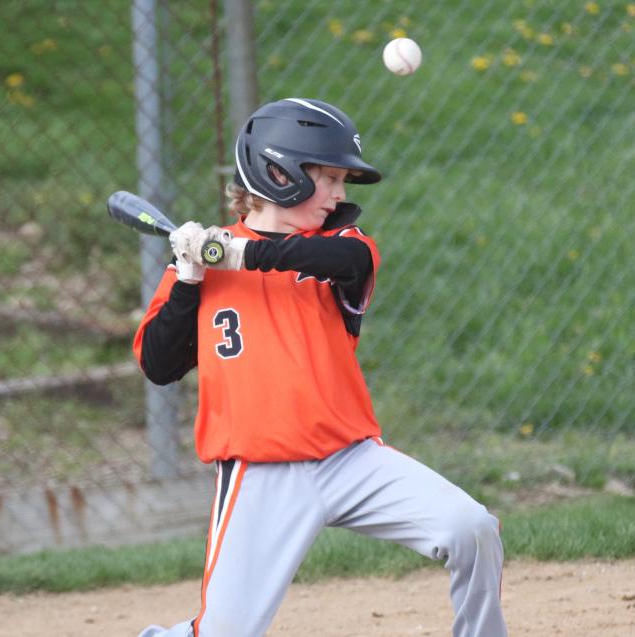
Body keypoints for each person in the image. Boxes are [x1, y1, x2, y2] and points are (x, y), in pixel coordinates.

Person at [134, 98, 507, 637]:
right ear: (278, 171)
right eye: (329, 177)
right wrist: (190, 277)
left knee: (470, 527)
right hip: (260, 475)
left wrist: (235, 255)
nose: (339, 195)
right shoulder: (200, 267)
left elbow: (343, 263)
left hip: (351, 462)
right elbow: (158, 364)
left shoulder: (340, 246)